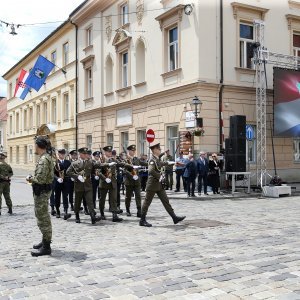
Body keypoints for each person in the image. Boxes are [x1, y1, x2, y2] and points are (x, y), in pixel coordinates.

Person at [140, 143, 186, 227]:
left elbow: (162, 163)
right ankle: (142, 220)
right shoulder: (152, 160)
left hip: (159, 185)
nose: (160, 150)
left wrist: (173, 162)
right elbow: (150, 171)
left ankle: (174, 217)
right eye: (159, 149)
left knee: (166, 201)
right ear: (154, 150)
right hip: (152, 185)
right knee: (147, 202)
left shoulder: (156, 159)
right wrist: (159, 176)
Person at [26, 136, 54, 257]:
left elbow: (41, 179)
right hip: (42, 191)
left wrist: (30, 179)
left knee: (43, 219)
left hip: (41, 192)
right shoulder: (46, 157)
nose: (34, 147)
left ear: (38, 146)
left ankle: (46, 246)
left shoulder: (44, 159)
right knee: (43, 217)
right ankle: (44, 241)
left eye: (35, 145)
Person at [66, 147, 101, 224]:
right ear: (80, 154)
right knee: (77, 202)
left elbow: (98, 166)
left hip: (88, 185)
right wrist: (77, 176)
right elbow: (68, 172)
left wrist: (108, 164)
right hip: (79, 185)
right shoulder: (74, 163)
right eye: (84, 154)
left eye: (86, 154)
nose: (86, 155)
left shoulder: (90, 162)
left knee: (90, 201)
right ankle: (77, 216)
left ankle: (93, 217)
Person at [98, 146, 126, 222]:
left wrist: (126, 162)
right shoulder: (101, 160)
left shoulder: (113, 160)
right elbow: (98, 172)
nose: (110, 153)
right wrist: (105, 178)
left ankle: (114, 215)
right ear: (105, 152)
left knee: (113, 199)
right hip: (104, 182)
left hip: (112, 182)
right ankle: (102, 213)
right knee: (102, 199)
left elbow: (120, 164)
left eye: (111, 152)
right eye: (109, 152)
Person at [123, 145, 148, 217]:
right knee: (128, 197)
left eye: (134, 150)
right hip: (129, 181)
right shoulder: (125, 160)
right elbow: (125, 171)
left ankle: (139, 211)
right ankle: (127, 210)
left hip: (137, 181)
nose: (133, 152)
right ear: (129, 151)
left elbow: (143, 163)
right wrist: (132, 176)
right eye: (132, 150)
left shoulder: (136, 159)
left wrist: (152, 163)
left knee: (138, 196)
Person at [54, 149, 72, 220]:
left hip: (65, 182)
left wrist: (71, 177)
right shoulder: (55, 162)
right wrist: (57, 178)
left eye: (63, 154)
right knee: (57, 197)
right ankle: (58, 211)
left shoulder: (68, 162)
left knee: (65, 196)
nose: (62, 155)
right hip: (58, 183)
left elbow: (70, 171)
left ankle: (66, 211)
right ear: (58, 154)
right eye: (61, 154)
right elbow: (52, 173)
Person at [0, 152, 13, 216]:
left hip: (1, 182)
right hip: (7, 183)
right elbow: (11, 173)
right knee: (7, 196)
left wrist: (3, 177)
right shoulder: (7, 165)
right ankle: (10, 209)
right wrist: (8, 177)